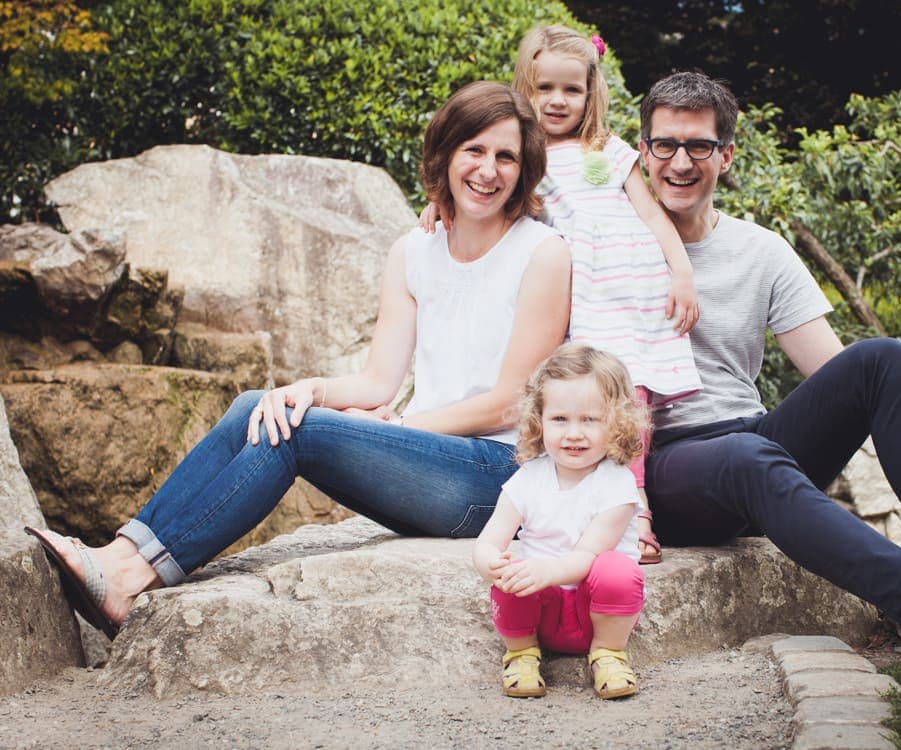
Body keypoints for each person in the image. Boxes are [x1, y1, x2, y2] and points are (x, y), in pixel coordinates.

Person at [24, 81, 572, 642]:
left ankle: (132, 578)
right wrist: (310, 389)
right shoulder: (414, 251)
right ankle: (124, 554)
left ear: (523, 169)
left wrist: (398, 427)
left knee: (295, 436)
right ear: (446, 154)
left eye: (506, 156)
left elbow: (514, 400)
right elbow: (378, 378)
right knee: (256, 407)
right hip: (428, 464)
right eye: (474, 150)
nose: (488, 170)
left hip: (497, 476)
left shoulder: (541, 252)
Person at [636, 71, 901, 679]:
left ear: (727, 156)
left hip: (754, 437)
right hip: (669, 462)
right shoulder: (614, 245)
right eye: (665, 145)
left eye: (700, 146)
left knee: (881, 357)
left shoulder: (761, 250)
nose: (680, 162)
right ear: (643, 152)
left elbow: (840, 375)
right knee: (744, 456)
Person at [426, 27, 702, 564]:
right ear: (524, 89)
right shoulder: (521, 158)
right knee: (582, 398)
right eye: (543, 87)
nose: (556, 101)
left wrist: (682, 272)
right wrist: (442, 204)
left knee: (628, 397)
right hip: (581, 292)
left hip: (632, 289)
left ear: (590, 93)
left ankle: (636, 509)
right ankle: (570, 508)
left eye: (571, 90)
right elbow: (489, 199)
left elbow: (652, 215)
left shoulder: (610, 150)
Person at [473, 343, 648, 699]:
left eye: (590, 419)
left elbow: (587, 556)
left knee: (616, 569)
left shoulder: (617, 484)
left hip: (596, 609)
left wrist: (546, 570)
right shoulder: (528, 479)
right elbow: (490, 540)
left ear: (616, 423)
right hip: (541, 609)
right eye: (559, 419)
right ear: (539, 420)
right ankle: (521, 653)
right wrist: (490, 563)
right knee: (512, 572)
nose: (573, 433)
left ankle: (608, 654)